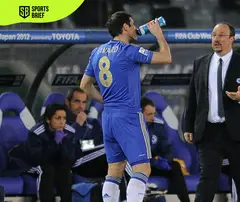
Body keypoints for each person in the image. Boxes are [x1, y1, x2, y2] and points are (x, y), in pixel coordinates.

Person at [79, 11, 172, 202]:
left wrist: (105, 100)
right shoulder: (130, 51)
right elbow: (166, 57)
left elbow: (84, 86)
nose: (136, 27)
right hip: (128, 115)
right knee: (142, 168)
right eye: (132, 23)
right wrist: (158, 34)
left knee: (114, 170)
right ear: (125, 28)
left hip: (108, 117)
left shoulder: (96, 52)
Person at [183, 22, 240, 202]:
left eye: (221, 35)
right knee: (207, 178)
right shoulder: (200, 63)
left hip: (236, 130)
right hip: (209, 131)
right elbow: (193, 97)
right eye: (213, 35)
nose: (216, 39)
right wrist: (189, 126)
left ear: (232, 39)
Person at [10, 104, 81, 202]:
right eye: (58, 118)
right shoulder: (36, 133)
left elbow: (70, 158)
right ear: (48, 119)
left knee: (66, 171)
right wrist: (55, 142)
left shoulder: (69, 132)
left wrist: (62, 144)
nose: (62, 122)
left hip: (52, 162)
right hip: (26, 162)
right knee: (46, 170)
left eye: (64, 118)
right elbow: (39, 159)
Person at [141, 97, 190, 202]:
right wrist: (153, 161)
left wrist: (166, 160)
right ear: (140, 114)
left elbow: (166, 147)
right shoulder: (133, 128)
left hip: (156, 164)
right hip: (141, 166)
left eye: (154, 113)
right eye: (149, 114)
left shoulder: (158, 125)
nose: (153, 117)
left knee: (175, 166)